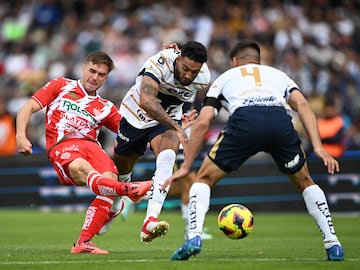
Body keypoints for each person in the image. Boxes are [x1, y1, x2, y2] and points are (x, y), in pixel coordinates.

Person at [163, 40, 345, 261]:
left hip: (245, 121)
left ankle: (193, 237)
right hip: (279, 120)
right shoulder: (278, 75)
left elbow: (203, 122)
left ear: (234, 61)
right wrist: (318, 147)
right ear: (258, 60)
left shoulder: (225, 78)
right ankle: (333, 244)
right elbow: (303, 106)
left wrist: (187, 166)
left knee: (203, 179)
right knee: (306, 181)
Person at [16, 51, 152, 254]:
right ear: (83, 68)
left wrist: (170, 127)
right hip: (64, 145)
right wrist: (20, 136)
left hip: (92, 147)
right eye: (92, 71)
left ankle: (84, 242)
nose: (95, 77)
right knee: (84, 168)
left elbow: (132, 133)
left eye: (101, 74)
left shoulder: (105, 107)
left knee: (109, 177)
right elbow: (27, 107)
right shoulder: (61, 85)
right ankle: (126, 191)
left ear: (106, 78)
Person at [110, 41, 210, 243]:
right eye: (185, 69)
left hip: (167, 122)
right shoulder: (158, 64)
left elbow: (184, 96)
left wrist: (183, 120)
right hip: (135, 116)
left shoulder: (203, 78)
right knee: (121, 165)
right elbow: (147, 102)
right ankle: (121, 198)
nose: (189, 75)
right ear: (178, 58)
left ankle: (150, 221)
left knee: (167, 157)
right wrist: (178, 126)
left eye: (194, 71)